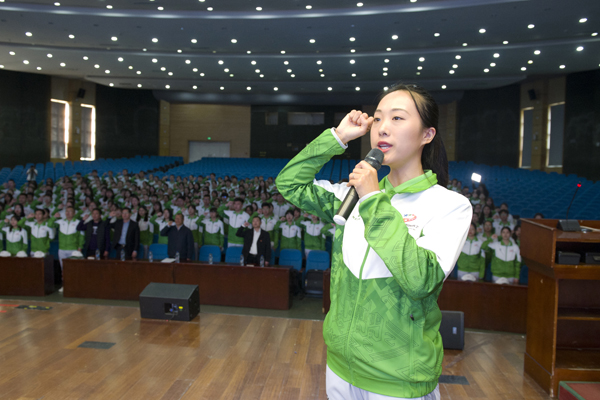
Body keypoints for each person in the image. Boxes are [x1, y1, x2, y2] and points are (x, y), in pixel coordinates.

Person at [276, 83, 472, 399]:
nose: (382, 127)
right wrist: (337, 137)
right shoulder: (349, 196)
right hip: (340, 367)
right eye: (378, 118)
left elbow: (420, 280)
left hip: (398, 378)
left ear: (427, 134)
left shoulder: (449, 206)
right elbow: (289, 184)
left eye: (397, 118)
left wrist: (372, 199)